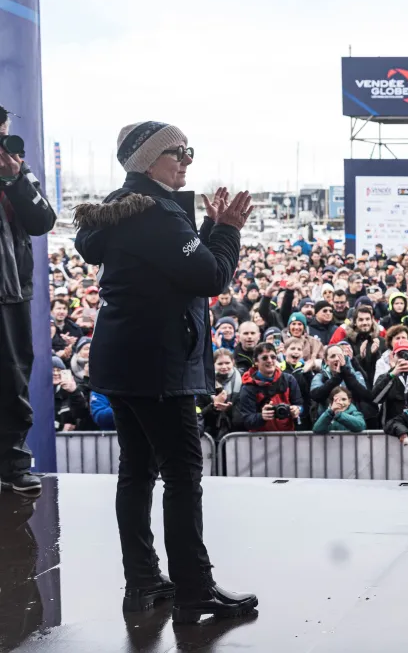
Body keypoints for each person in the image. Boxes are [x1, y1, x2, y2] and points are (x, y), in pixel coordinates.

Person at [73, 121, 257, 621]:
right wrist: (228, 232)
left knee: (135, 473)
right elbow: (209, 276)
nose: (187, 159)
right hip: (160, 365)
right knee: (180, 475)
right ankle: (195, 588)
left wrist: (206, 231)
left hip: (121, 359)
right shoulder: (156, 213)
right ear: (147, 161)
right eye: (178, 151)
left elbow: (170, 265)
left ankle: (144, 582)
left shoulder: (124, 207)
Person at [0, 104, 58, 494]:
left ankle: (13, 464)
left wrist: (14, 178)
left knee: (12, 377)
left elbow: (43, 221)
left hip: (11, 291)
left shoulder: (18, 169)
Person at [236, 342, 303, 432]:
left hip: (287, 435)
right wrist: (262, 417)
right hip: (260, 439)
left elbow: (300, 405)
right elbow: (247, 420)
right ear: (256, 361)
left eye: (273, 357)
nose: (270, 360)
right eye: (264, 358)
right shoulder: (248, 387)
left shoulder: (289, 380)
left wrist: (297, 410)